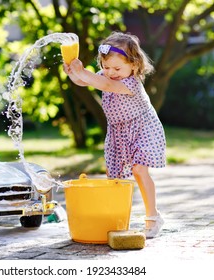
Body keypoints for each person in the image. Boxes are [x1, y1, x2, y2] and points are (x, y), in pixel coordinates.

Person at [63, 32, 166, 238]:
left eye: (117, 68)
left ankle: (153, 217)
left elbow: (106, 85)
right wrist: (73, 73)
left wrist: (82, 71)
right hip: (118, 131)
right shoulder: (105, 76)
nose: (111, 73)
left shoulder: (131, 83)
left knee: (138, 169)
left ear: (134, 66)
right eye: (106, 67)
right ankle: (115, 218)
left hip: (142, 127)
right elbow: (84, 82)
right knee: (115, 178)